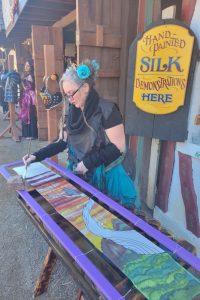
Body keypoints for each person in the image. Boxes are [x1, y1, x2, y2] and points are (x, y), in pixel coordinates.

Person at [23, 59, 140, 210]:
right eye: (67, 95)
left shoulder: (108, 110)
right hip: (81, 170)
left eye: (72, 93)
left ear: (85, 87)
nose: (70, 99)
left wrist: (87, 163)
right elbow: (63, 142)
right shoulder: (71, 111)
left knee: (114, 216)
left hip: (110, 174)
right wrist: (36, 156)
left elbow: (119, 147)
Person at [20, 60, 38, 139]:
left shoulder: (30, 75)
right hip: (26, 97)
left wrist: (23, 84)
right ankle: (27, 134)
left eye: (28, 65)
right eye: (25, 65)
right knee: (25, 115)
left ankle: (32, 134)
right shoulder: (26, 75)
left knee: (30, 115)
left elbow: (29, 87)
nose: (26, 67)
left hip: (30, 97)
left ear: (31, 67)